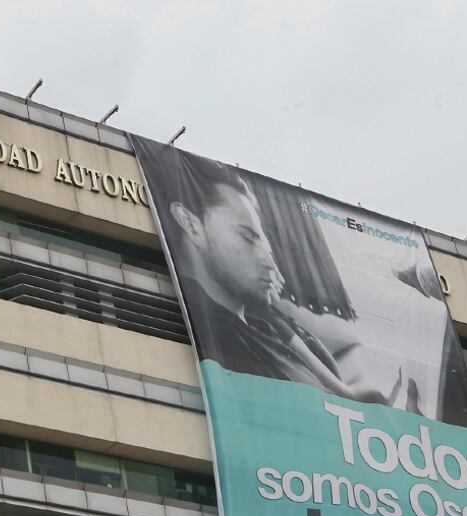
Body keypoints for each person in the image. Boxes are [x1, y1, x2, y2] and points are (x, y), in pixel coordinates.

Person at [163, 161, 401, 407]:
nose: (269, 263)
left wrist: (351, 396)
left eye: (266, 247)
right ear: (191, 224)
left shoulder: (261, 319)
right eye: (246, 237)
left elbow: (334, 376)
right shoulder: (221, 333)